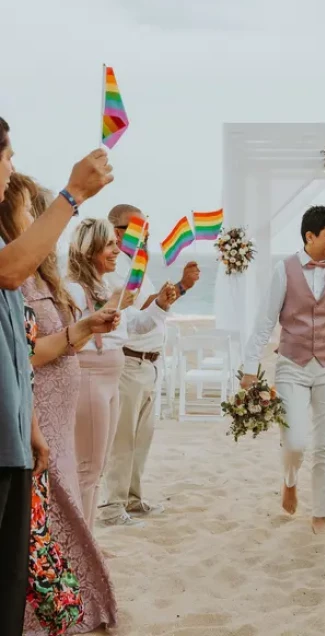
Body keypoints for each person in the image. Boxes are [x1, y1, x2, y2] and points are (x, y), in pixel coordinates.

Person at [0, 116, 113, 636]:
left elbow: (12, 352)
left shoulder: (27, 272)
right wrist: (72, 194)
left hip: (18, 431)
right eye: (7, 156)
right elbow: (11, 277)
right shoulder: (12, 270)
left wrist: (31, 427)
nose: (12, 168)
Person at [240, 205, 325, 534]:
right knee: (295, 441)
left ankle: (320, 515)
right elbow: (264, 321)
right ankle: (290, 478)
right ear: (309, 236)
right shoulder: (283, 270)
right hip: (291, 366)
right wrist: (249, 366)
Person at [65, 218, 176, 529]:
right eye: (110, 245)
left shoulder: (107, 287)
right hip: (91, 377)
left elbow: (131, 328)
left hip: (112, 378)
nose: (117, 251)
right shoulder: (74, 290)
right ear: (90, 251)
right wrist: (116, 302)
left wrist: (160, 307)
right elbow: (74, 336)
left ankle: (90, 543)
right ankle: (84, 542)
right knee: (88, 467)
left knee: (97, 466)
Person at [99, 204, 200, 525]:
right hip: (129, 362)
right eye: (139, 226)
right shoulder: (115, 268)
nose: (146, 233)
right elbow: (130, 317)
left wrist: (177, 290)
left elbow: (153, 308)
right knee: (123, 439)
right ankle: (112, 506)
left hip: (150, 364)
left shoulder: (137, 266)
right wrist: (175, 291)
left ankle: (132, 499)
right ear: (118, 232)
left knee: (142, 439)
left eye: (147, 226)